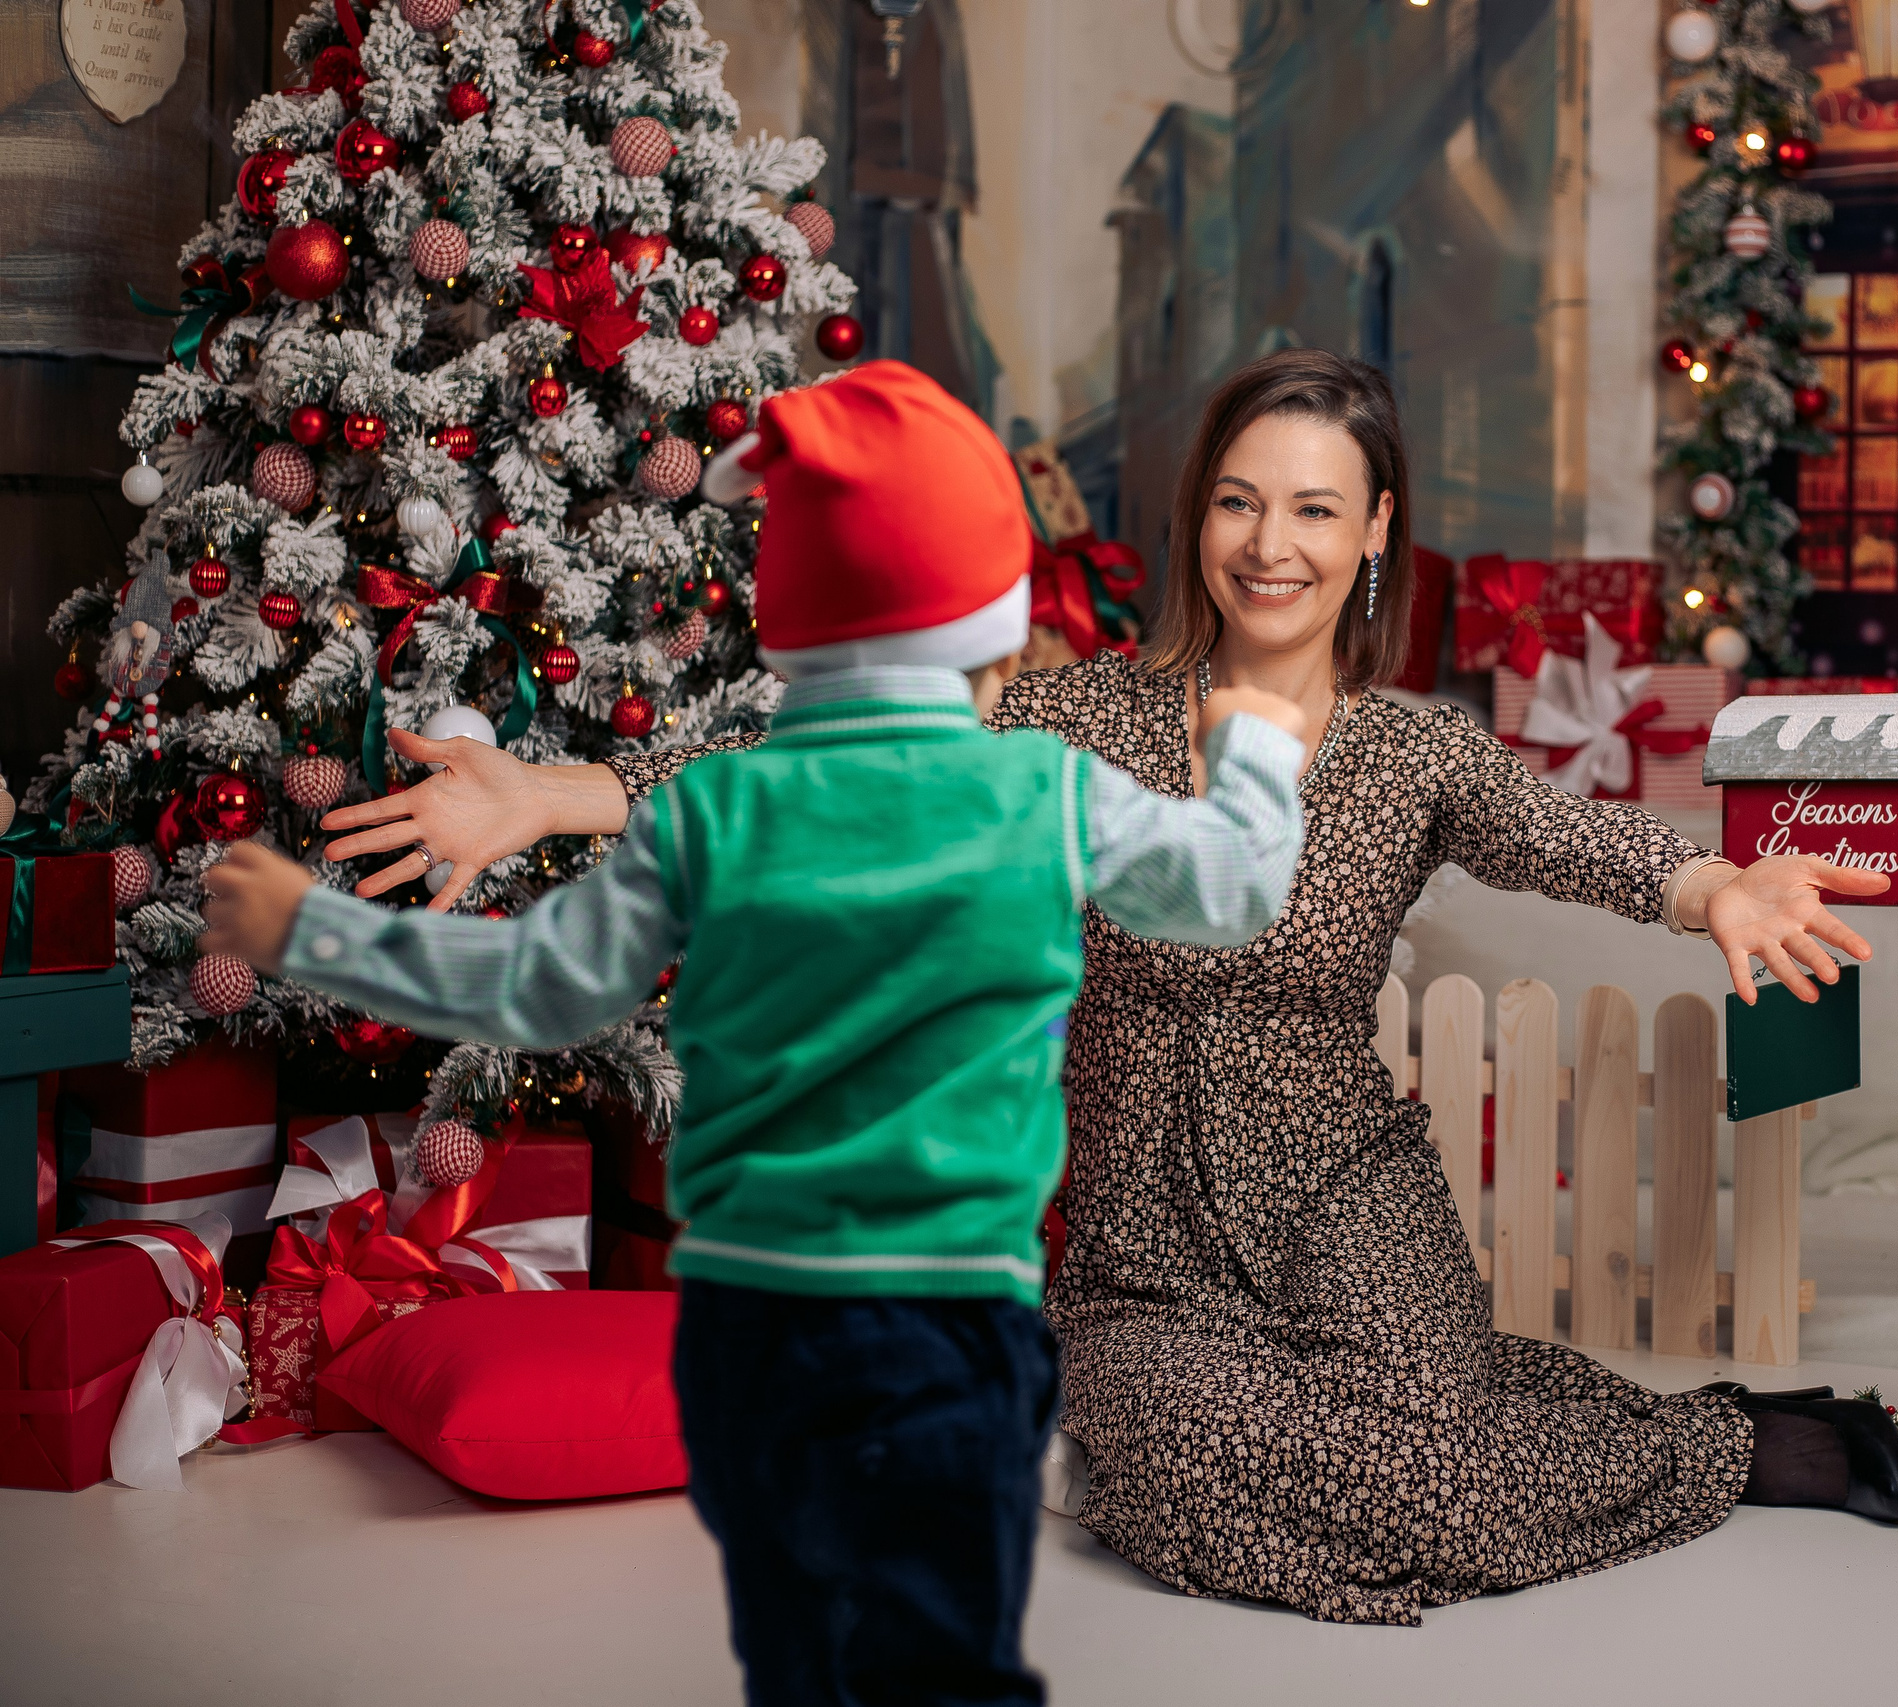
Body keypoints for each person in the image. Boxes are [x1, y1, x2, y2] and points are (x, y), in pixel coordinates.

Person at [313, 349, 1898, 1628]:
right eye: (1236, 503)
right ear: (1198, 519)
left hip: (1351, 1196)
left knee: (1429, 1445)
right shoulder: (1087, 721)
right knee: (1174, 1467)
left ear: (1374, 532)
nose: (1268, 546)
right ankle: (1713, 1442)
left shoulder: (1417, 747)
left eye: (1311, 510)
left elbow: (1579, 844)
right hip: (1144, 1249)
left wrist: (1719, 888)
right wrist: (554, 795)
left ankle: (1702, 1439)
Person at [201, 361, 1311, 1702]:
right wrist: (1253, 747)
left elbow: (540, 993)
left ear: (790, 623)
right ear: (996, 632)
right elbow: (1236, 889)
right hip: (945, 1317)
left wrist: (311, 932)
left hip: (743, 1330)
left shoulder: (709, 813)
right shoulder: (1046, 794)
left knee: (800, 1656)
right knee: (939, 1657)